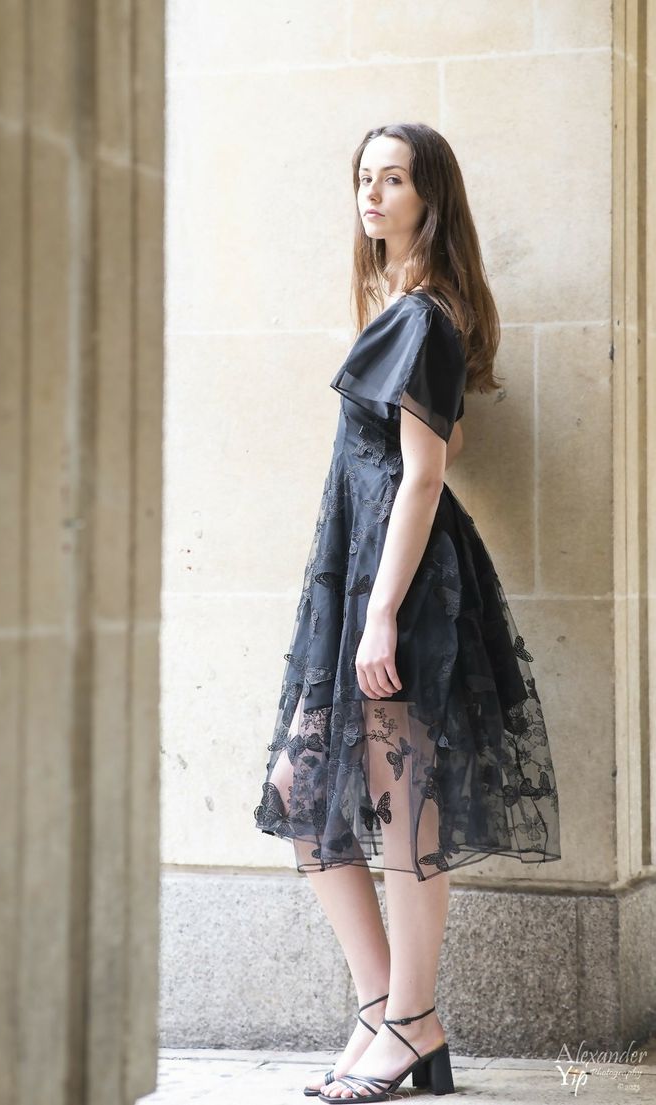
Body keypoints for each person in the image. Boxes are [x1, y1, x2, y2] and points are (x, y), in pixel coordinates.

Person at [253, 122, 561, 1102]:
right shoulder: (401, 307)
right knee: (311, 801)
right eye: (364, 178)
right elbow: (447, 440)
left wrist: (382, 612)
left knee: (401, 810)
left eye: (393, 179)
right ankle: (388, 1010)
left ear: (429, 197)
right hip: (361, 568)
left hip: (398, 581)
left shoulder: (422, 316)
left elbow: (426, 473)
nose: (373, 193)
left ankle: (409, 1019)